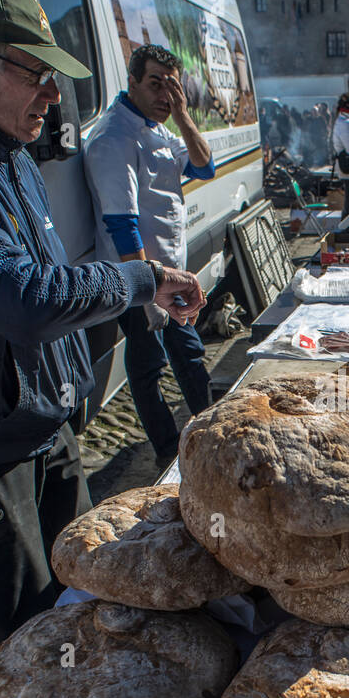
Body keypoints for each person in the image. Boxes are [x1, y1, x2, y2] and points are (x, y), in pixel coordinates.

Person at [0, 0, 205, 691]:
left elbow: (48, 271)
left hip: (48, 419)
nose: (53, 94)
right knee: (16, 650)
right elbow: (25, 299)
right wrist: (143, 279)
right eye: (36, 73)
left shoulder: (3, 138)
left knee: (82, 602)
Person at [83, 43, 216, 469]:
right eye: (155, 83)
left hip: (171, 273)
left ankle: (211, 430)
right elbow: (122, 222)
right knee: (148, 365)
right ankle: (167, 451)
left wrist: (181, 113)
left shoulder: (160, 127)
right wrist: (148, 286)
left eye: (172, 85)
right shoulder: (114, 136)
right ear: (132, 82)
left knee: (190, 352)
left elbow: (203, 165)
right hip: (140, 275)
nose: (164, 94)